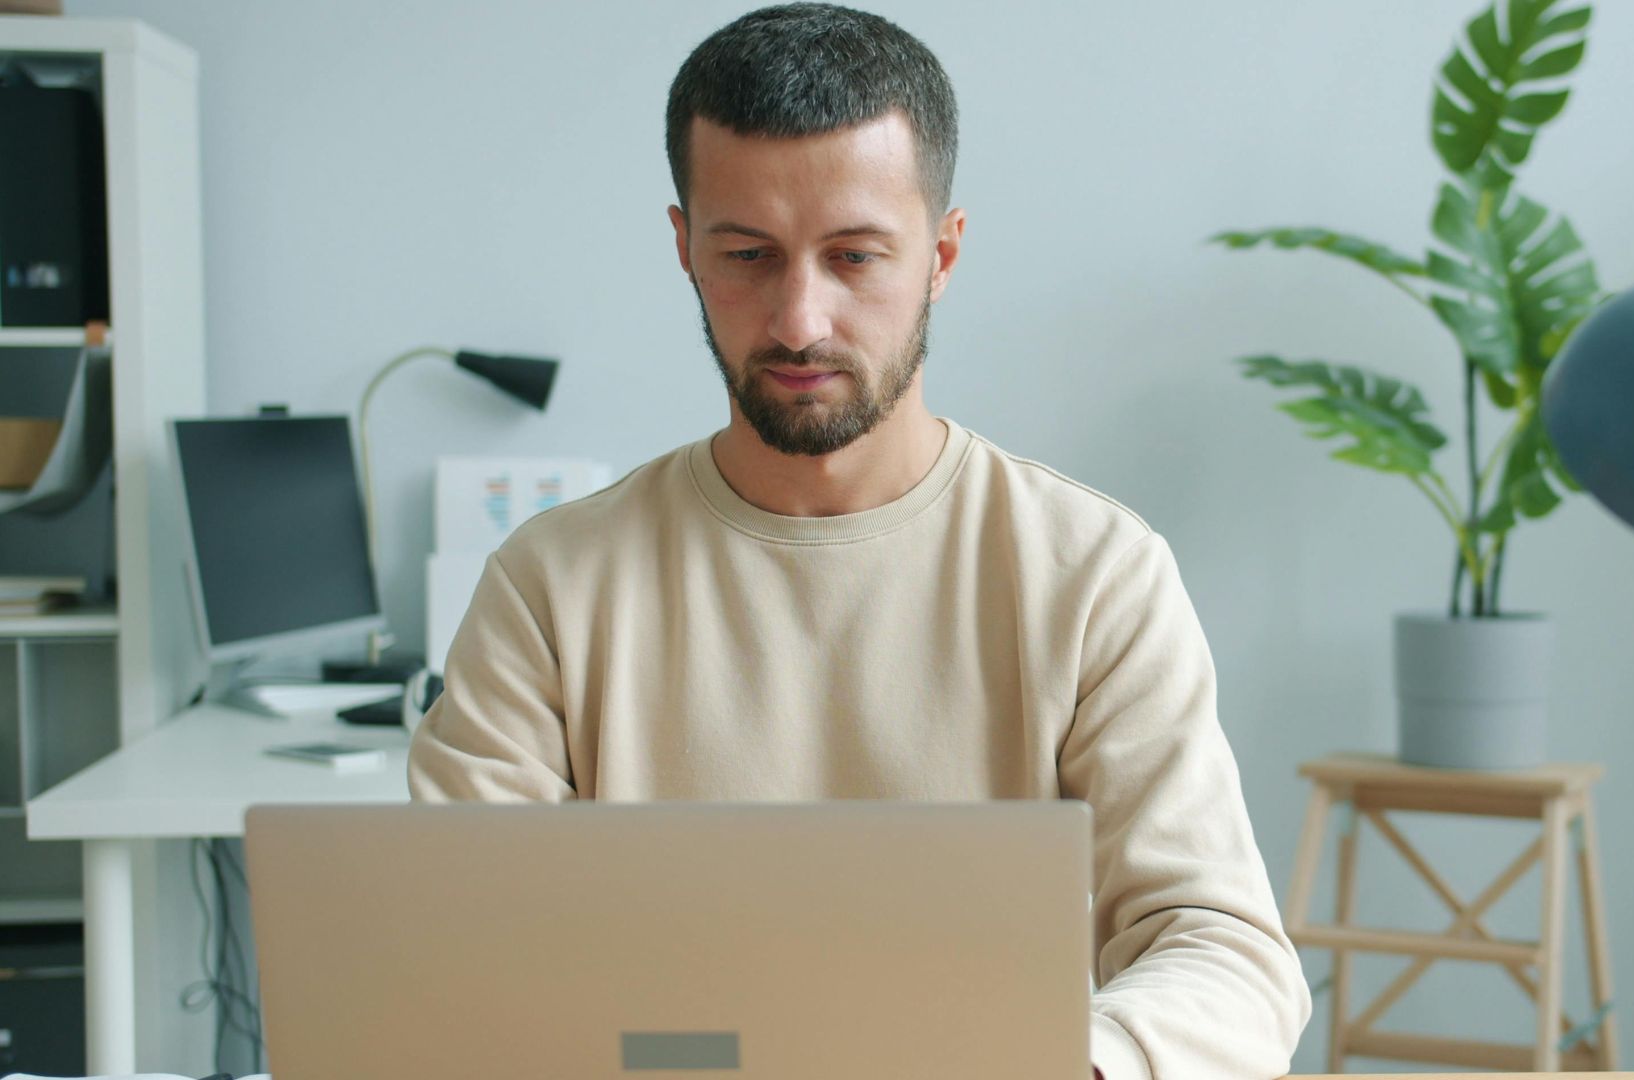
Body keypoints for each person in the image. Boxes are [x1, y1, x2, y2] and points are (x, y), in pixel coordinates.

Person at [407, 5, 1312, 1077]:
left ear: (942, 254)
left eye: (854, 257)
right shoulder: (550, 587)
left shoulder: (1093, 573)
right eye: (748, 254)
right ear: (685, 249)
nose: (798, 319)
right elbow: (456, 960)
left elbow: (1227, 953)